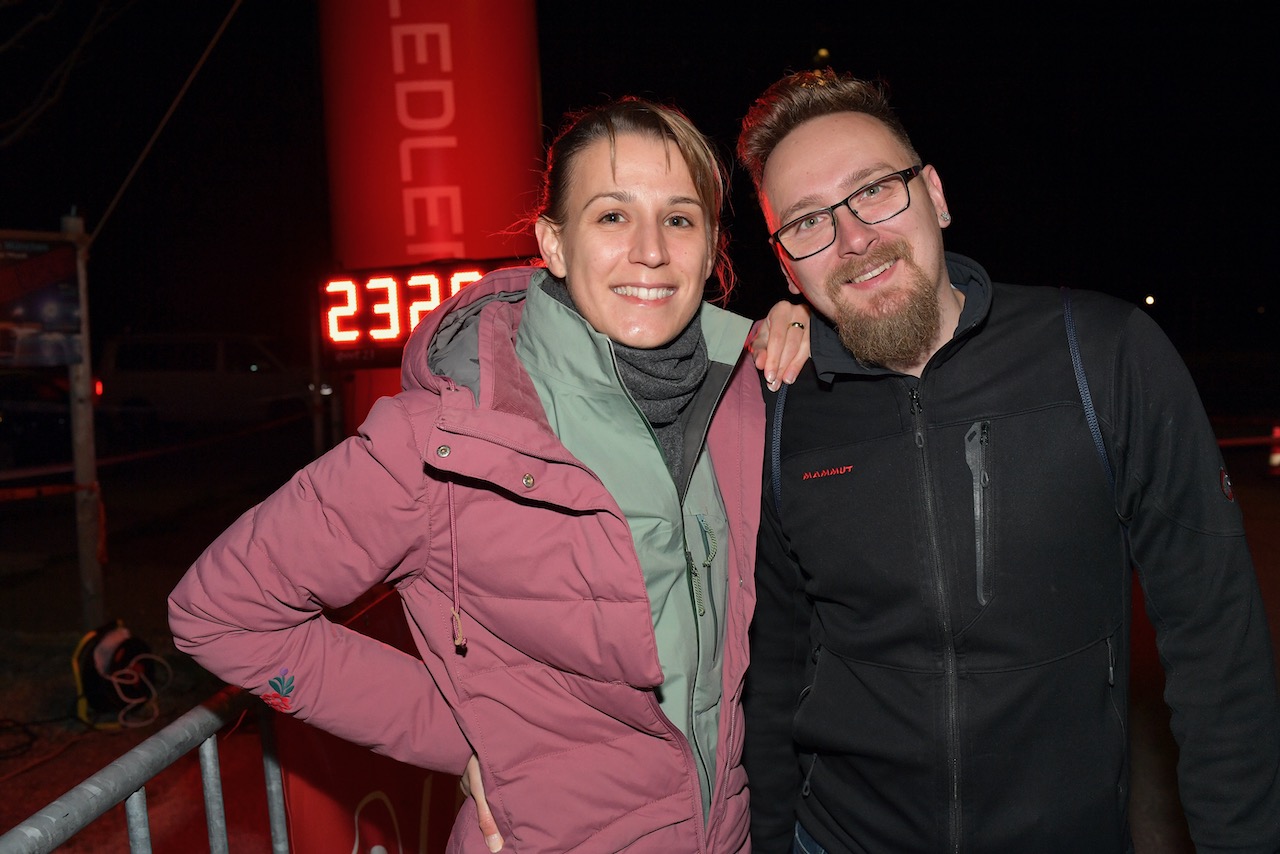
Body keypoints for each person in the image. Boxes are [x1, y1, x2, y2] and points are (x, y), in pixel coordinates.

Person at [168, 96, 807, 853]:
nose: (650, 249)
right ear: (555, 244)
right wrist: (468, 742)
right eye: (610, 216)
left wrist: (801, 326)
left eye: (679, 218)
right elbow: (221, 613)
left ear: (709, 249)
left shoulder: (747, 400)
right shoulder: (441, 442)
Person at [735, 68, 1280, 853]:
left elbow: (1217, 648)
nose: (853, 237)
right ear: (787, 265)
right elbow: (775, 677)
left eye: (875, 191)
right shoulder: (779, 413)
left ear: (936, 195)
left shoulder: (1102, 357)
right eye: (809, 222)